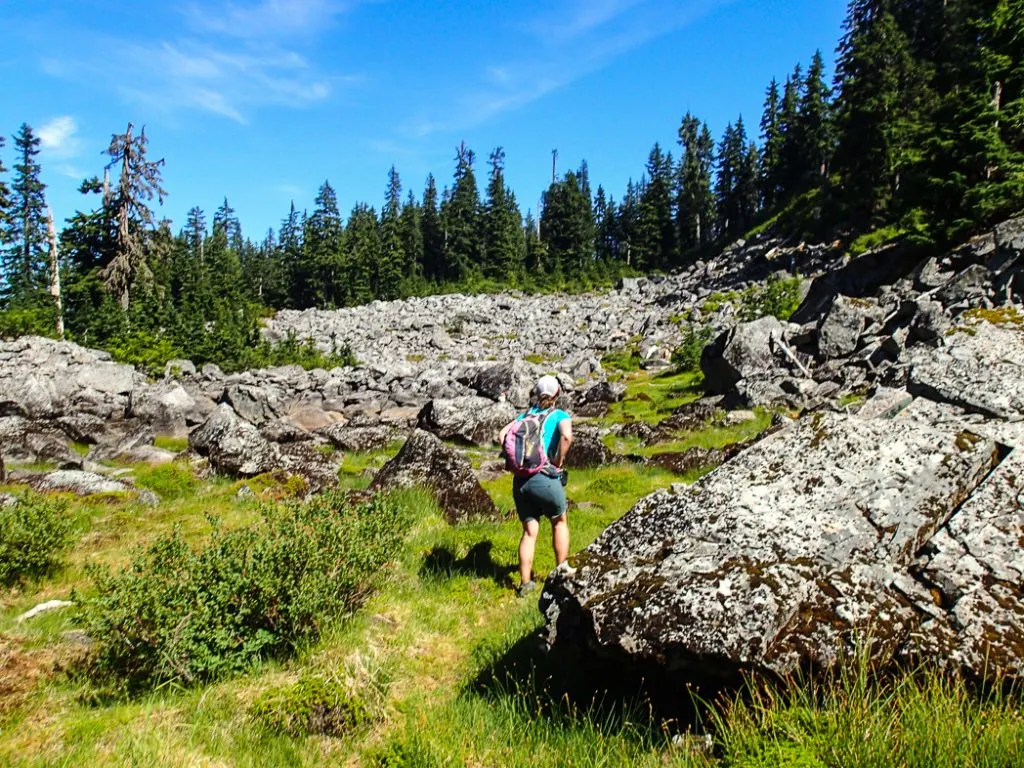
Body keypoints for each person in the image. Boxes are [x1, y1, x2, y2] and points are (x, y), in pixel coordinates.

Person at [498, 374, 574, 596]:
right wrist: (558, 462)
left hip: (520, 481)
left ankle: (525, 584)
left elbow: (502, 434)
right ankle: (561, 574)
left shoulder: (524, 416)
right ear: (557, 394)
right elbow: (567, 437)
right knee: (559, 522)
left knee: (530, 532)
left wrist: (515, 461)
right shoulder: (559, 414)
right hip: (544, 477)